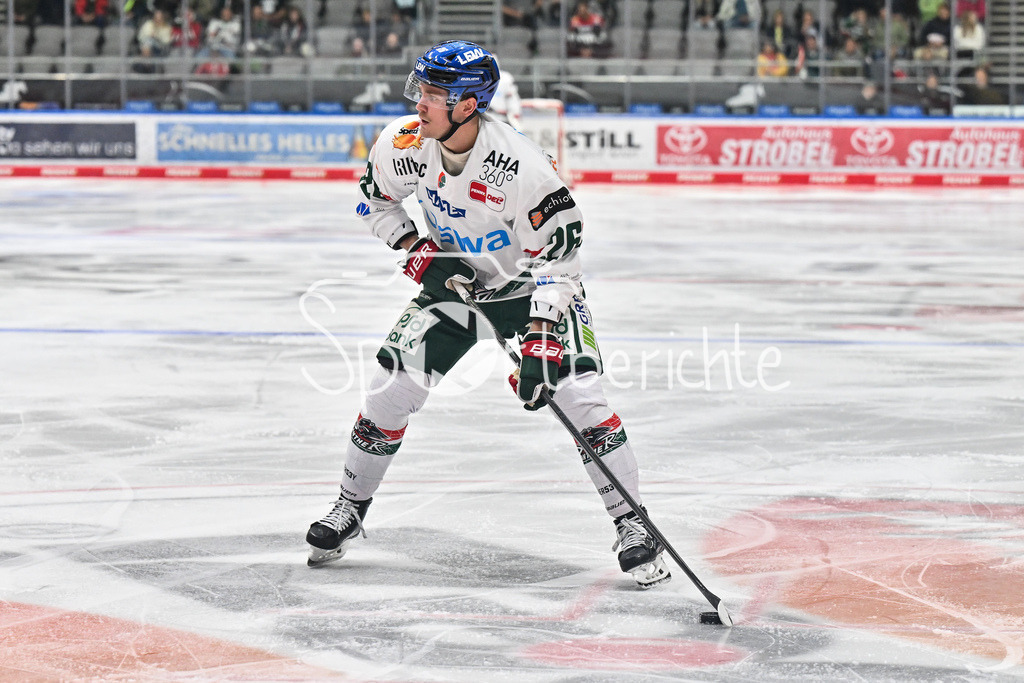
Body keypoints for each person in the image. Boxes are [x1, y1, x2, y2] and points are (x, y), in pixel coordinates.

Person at [305, 40, 671, 591]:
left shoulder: (522, 166)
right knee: (390, 388)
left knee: (577, 397)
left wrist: (543, 334)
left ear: (468, 105)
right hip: (454, 286)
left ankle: (633, 526)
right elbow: (374, 200)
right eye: (421, 89)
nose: (419, 102)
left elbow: (561, 258)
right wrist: (415, 247)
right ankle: (350, 508)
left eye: (433, 94)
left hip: (527, 291)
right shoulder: (404, 142)